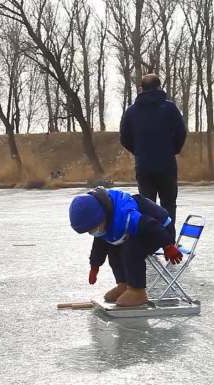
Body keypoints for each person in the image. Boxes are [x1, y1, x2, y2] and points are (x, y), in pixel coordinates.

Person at [68, 187, 183, 307]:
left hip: (160, 230)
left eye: (92, 229)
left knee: (131, 249)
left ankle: (137, 291)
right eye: (89, 231)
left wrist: (168, 245)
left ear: (101, 216)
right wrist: (94, 266)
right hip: (143, 230)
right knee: (113, 246)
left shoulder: (126, 215)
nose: (92, 232)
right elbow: (100, 244)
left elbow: (151, 226)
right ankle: (123, 284)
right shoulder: (104, 219)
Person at [119, 73, 186, 232]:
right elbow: (181, 133)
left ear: (140, 89)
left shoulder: (131, 112)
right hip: (167, 165)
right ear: (159, 87)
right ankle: (169, 242)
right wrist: (173, 150)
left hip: (144, 167)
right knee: (168, 205)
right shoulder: (170, 109)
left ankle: (150, 243)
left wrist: (139, 152)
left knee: (147, 206)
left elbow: (124, 138)